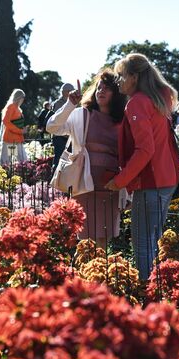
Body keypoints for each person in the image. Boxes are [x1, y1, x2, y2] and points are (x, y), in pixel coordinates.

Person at [104, 53, 179, 280]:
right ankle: (157, 290)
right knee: (153, 241)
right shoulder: (159, 99)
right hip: (167, 179)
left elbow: (145, 150)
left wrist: (120, 181)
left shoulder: (137, 103)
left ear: (134, 77)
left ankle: (147, 297)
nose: (118, 81)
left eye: (121, 76)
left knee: (143, 244)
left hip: (150, 181)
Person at [47, 69, 127, 249]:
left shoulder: (122, 120)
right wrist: (69, 105)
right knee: (85, 239)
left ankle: (99, 273)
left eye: (107, 88)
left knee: (104, 238)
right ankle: (85, 274)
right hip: (84, 183)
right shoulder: (82, 115)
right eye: (99, 87)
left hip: (111, 185)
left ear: (116, 93)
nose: (101, 91)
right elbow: (52, 127)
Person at [0, 89, 27, 165]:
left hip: (16, 139)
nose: (23, 100)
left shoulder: (17, 108)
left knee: (22, 161)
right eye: (22, 98)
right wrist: (20, 131)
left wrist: (22, 130)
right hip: (10, 140)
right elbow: (6, 121)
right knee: (7, 162)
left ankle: (20, 175)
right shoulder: (11, 107)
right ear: (19, 98)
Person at [51, 83, 75, 171]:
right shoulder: (57, 103)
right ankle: (54, 179)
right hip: (59, 136)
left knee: (69, 160)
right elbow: (58, 119)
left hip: (70, 136)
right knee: (58, 159)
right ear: (66, 92)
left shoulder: (73, 102)